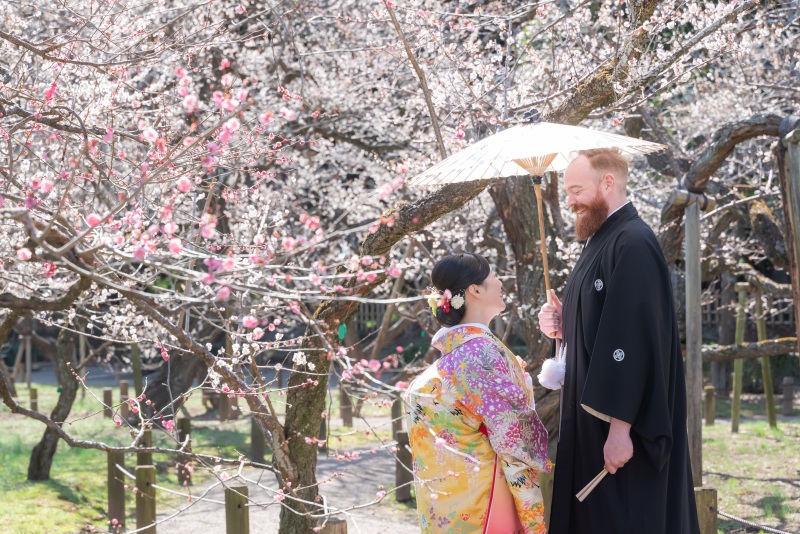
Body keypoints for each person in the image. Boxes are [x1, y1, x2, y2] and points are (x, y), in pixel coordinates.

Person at [537, 148, 700, 533]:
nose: (571, 201)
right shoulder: (600, 240)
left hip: (619, 427)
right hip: (591, 420)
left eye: (577, 190)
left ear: (607, 182)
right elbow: (601, 324)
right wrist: (562, 324)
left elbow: (633, 342)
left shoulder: (634, 243)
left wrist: (621, 431)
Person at [404, 253, 551, 534]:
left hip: (455, 501)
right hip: (484, 500)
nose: (500, 282)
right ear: (475, 290)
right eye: (494, 276)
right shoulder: (479, 354)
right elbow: (511, 437)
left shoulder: (464, 353)